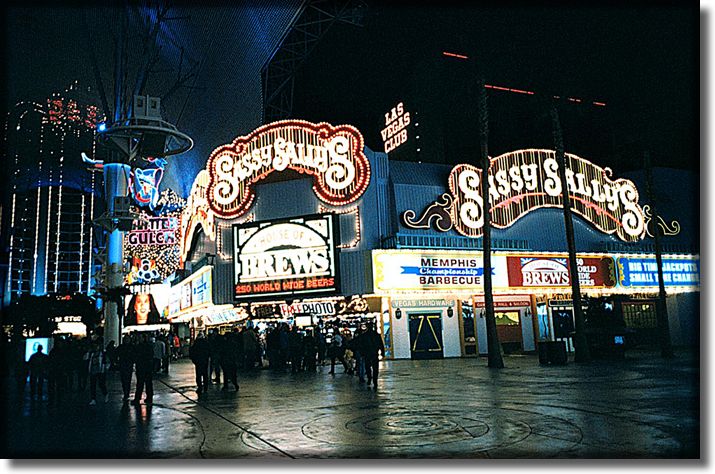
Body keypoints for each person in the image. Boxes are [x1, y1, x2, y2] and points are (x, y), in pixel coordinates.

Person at [85, 340, 110, 405]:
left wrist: (105, 369)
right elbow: (85, 358)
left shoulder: (102, 354)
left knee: (101, 384)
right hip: (93, 371)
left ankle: (105, 393)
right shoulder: (91, 354)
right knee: (92, 385)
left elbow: (107, 362)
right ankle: (93, 399)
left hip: (100, 371)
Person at [133, 333, 155, 405]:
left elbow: (136, 356)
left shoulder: (139, 347)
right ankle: (149, 397)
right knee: (148, 383)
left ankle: (137, 398)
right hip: (148, 367)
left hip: (141, 367)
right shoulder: (149, 346)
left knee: (140, 383)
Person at [362, 324, 385, 389]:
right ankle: (375, 381)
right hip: (374, 353)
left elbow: (362, 345)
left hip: (367, 354)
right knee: (375, 368)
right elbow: (381, 344)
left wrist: (362, 353)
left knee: (368, 367)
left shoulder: (364, 336)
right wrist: (382, 353)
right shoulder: (377, 335)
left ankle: (369, 379)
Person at [116, 335, 136, 402]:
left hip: (124, 365)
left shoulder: (121, 347)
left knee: (125, 380)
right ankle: (126, 393)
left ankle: (126, 393)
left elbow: (116, 353)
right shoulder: (132, 347)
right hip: (127, 365)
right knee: (126, 380)